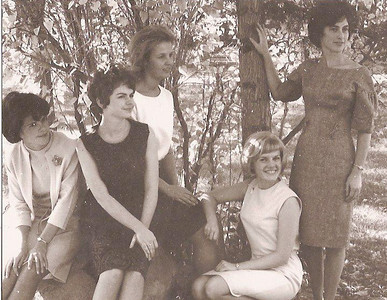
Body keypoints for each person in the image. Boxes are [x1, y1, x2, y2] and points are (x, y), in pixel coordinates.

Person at [249, 1, 378, 299]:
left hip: (340, 162)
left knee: (335, 237)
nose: (341, 36)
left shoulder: (360, 74)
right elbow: (280, 92)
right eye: (334, 29)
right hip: (307, 159)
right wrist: (266, 53)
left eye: (346, 30)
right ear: (319, 33)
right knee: (308, 235)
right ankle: (316, 295)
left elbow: (365, 129)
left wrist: (356, 172)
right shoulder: (308, 68)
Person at [128, 25, 221, 273]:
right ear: (144, 58)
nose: (169, 62)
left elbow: (165, 147)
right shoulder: (129, 99)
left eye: (171, 55)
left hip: (162, 181)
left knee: (203, 223)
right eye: (162, 56)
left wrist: (176, 186)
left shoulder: (166, 96)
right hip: (136, 184)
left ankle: (202, 288)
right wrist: (167, 189)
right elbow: (131, 161)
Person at [76, 66, 159, 300]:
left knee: (134, 276)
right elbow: (100, 194)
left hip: (142, 213)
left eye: (131, 95)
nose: (130, 102)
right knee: (112, 273)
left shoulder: (145, 134)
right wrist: (139, 229)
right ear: (103, 102)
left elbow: (152, 187)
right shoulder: (85, 144)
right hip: (103, 219)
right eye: (121, 96)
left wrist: (143, 227)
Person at [192, 131, 303, 300]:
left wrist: (237, 267)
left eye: (276, 158)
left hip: (283, 274)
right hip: (257, 268)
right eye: (263, 159)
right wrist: (211, 220)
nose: (271, 165)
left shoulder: (288, 200)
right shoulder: (251, 187)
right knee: (198, 287)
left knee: (213, 289)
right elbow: (208, 196)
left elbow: (282, 256)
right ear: (252, 163)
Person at [2, 92, 81, 300]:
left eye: (43, 120)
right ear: (18, 132)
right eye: (33, 125)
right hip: (33, 224)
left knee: (30, 269)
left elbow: (67, 203)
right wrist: (21, 245)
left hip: (65, 227)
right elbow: (18, 204)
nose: (43, 128)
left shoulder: (68, 148)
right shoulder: (13, 156)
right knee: (9, 271)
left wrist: (41, 243)